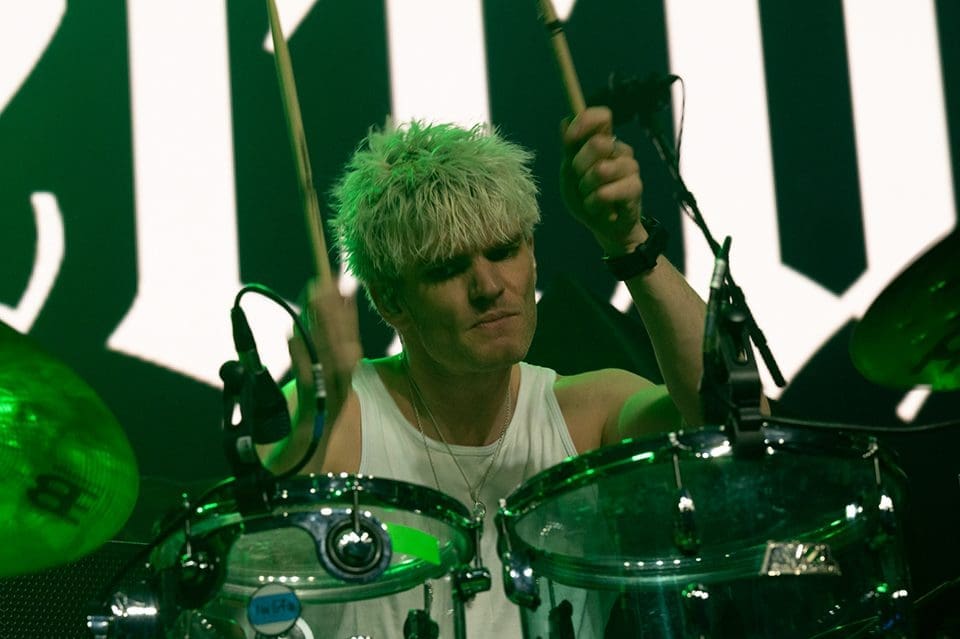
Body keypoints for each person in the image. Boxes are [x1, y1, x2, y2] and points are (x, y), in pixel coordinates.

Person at [264, 106, 707, 638]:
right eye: (449, 268)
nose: (490, 286)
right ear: (389, 300)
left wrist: (629, 241)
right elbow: (254, 553)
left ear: (532, 254)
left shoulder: (588, 414)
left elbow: (724, 418)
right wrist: (316, 418)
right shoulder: (339, 416)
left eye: (503, 251)